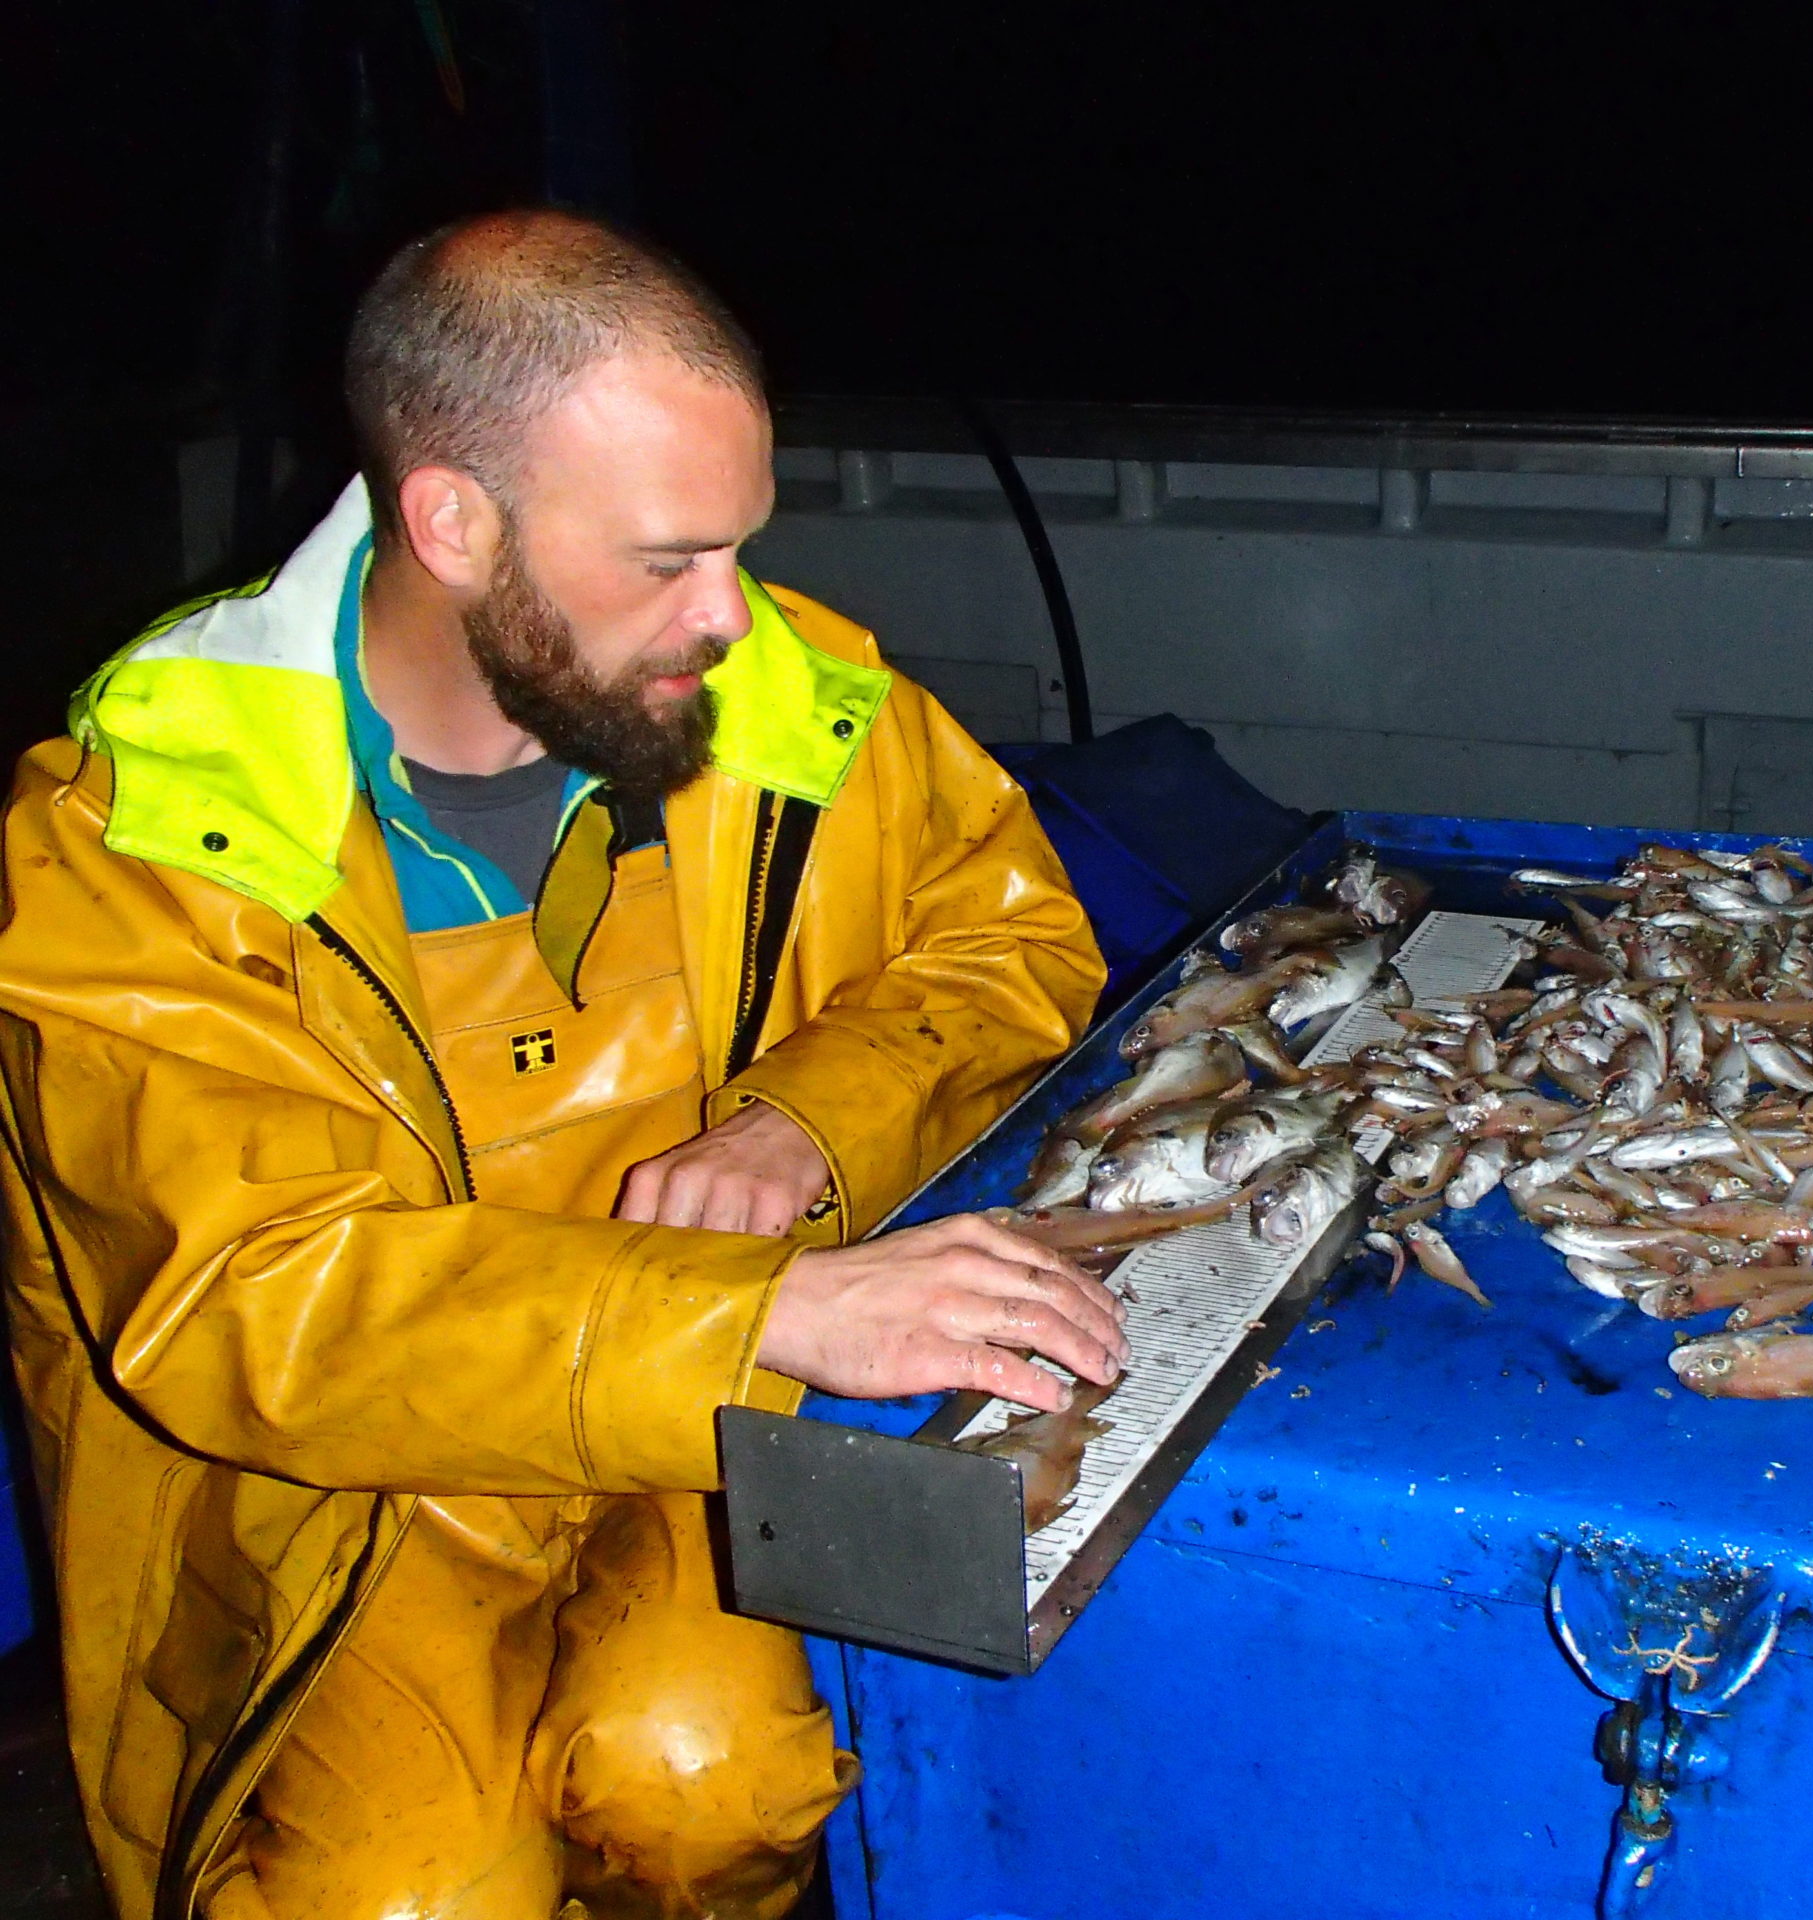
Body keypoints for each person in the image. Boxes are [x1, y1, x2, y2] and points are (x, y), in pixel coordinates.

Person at [0, 210, 1123, 1920]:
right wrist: (764, 1317)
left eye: (742, 543)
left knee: (720, 1788)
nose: (732, 618)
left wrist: (803, 1122)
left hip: (698, 1423)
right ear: (453, 521)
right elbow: (249, 1295)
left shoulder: (786, 702)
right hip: (341, 1491)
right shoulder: (137, 831)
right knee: (407, 1897)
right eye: (669, 558)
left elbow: (1015, 941)